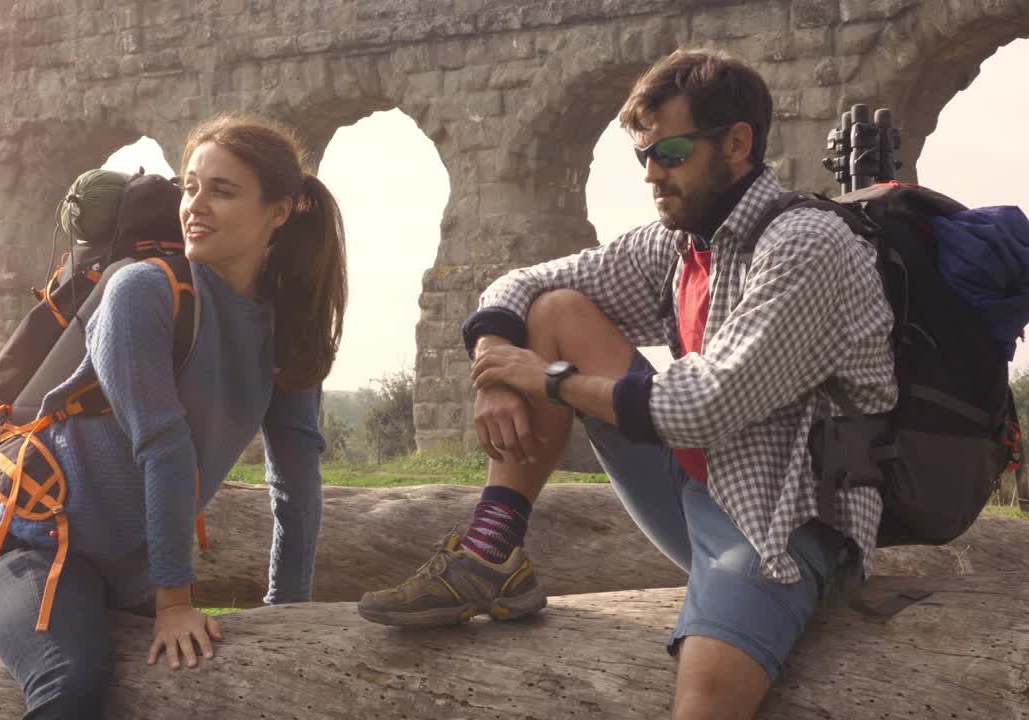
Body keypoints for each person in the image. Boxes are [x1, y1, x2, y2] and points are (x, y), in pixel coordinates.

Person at [358, 49, 896, 720]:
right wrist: (497, 359)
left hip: (781, 518)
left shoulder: (807, 245)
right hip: (693, 483)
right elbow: (522, 283)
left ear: (736, 144)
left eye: (669, 152)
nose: (651, 175)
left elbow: (705, 405)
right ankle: (492, 551)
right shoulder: (679, 246)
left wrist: (548, 379)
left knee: (700, 708)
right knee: (554, 310)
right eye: (642, 157)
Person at [0, 113, 347, 719]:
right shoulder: (142, 290)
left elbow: (296, 481)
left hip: (132, 580)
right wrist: (174, 604)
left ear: (280, 210)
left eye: (222, 191)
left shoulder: (288, 328)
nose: (195, 206)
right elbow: (162, 447)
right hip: (34, 550)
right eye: (191, 187)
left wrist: (287, 611)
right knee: (71, 687)